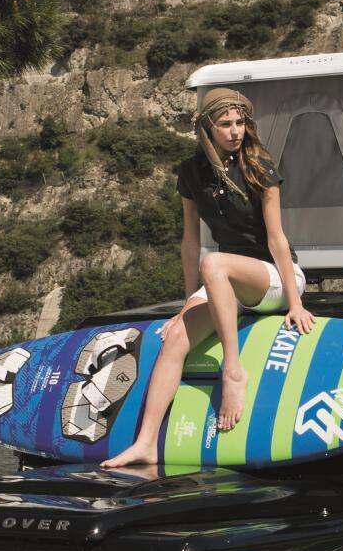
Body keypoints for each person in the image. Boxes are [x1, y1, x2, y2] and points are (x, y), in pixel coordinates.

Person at [104, 85, 313, 472]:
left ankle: (233, 371)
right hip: (225, 282)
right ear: (207, 129)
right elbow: (190, 242)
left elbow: (276, 239)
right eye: (225, 124)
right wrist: (187, 306)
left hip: (273, 278)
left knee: (214, 263)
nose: (235, 131)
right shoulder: (191, 172)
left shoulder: (259, 166)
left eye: (240, 123)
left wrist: (296, 303)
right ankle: (146, 443)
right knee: (176, 337)